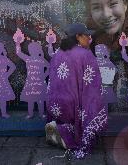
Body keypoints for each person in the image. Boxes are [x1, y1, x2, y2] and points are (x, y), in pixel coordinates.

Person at [45, 23, 107, 159]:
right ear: (78, 37)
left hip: (55, 104)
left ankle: (59, 129)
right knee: (89, 105)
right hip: (74, 105)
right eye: (87, 35)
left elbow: (51, 81)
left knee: (69, 116)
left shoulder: (57, 53)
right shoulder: (85, 54)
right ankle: (67, 135)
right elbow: (93, 85)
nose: (89, 38)